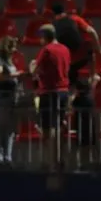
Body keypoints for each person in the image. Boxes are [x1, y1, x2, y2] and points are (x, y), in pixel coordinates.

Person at [30, 24, 71, 172]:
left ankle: (53, 161)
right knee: (59, 126)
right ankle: (59, 159)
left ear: (44, 37)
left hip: (49, 92)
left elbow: (33, 71)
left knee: (49, 128)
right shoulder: (65, 49)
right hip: (64, 91)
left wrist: (32, 65)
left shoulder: (46, 50)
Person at [0, 36, 22, 168]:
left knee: (9, 130)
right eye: (12, 46)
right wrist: (18, 74)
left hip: (11, 97)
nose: (14, 50)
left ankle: (8, 158)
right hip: (0, 97)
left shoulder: (10, 61)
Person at [51, 3, 101, 84]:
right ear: (64, 11)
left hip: (66, 62)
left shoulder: (52, 25)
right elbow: (92, 32)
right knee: (89, 48)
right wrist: (99, 49)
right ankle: (93, 75)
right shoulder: (74, 18)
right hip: (81, 57)